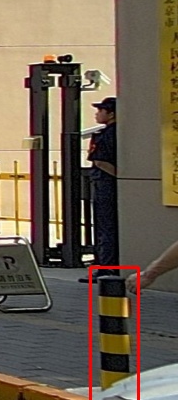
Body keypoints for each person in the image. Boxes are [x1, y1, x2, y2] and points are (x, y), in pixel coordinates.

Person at [89, 97, 119, 276]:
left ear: (111, 114)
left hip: (105, 184)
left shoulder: (106, 134)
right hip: (112, 185)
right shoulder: (120, 132)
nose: (97, 114)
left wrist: (119, 177)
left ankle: (105, 266)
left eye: (101, 110)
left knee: (105, 226)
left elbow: (99, 161)